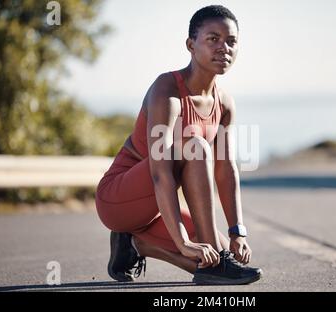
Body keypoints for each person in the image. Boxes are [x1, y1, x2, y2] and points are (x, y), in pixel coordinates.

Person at [95, 5, 262, 285]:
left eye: (231, 41)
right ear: (191, 45)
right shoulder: (167, 89)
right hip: (119, 199)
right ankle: (214, 262)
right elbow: (161, 172)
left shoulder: (224, 103)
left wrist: (237, 232)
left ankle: (136, 245)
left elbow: (226, 169)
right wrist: (183, 240)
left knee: (211, 259)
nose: (224, 48)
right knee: (194, 146)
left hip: (157, 209)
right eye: (213, 39)